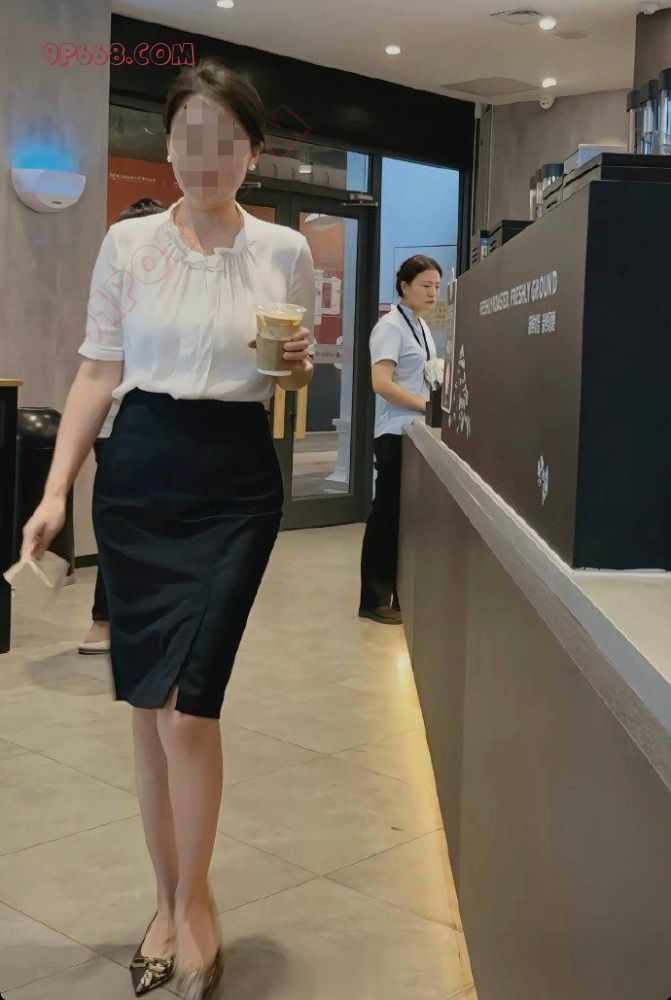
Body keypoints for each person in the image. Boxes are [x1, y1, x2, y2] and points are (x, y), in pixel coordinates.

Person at [22, 58, 315, 1000]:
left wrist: (299, 365)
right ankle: (167, 901)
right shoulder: (129, 244)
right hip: (141, 474)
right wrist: (57, 491)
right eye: (190, 139)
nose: (205, 158)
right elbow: (97, 371)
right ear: (169, 144)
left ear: (253, 152)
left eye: (225, 142)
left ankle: (196, 902)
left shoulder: (283, 251)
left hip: (235, 481)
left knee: (192, 708)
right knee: (149, 708)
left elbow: (286, 377)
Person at [78, 198, 167, 656]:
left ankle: (141, 620)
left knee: (156, 526)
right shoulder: (116, 289)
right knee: (122, 525)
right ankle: (105, 619)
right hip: (117, 427)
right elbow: (96, 368)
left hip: (165, 428)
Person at [359, 256, 442, 626]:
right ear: (404, 286)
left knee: (406, 519)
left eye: (436, 286)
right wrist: (426, 406)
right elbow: (382, 384)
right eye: (425, 285)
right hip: (395, 435)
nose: (433, 292)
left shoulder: (420, 326)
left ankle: (399, 592)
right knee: (387, 516)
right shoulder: (390, 327)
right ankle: (374, 598)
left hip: (417, 434)